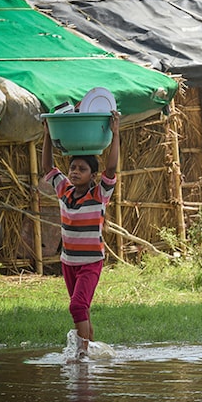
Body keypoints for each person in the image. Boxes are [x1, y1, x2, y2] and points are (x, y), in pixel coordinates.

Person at [42, 110, 120, 358]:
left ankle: (82, 357)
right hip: (68, 263)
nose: (75, 172)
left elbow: (111, 167)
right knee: (82, 311)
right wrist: (47, 134)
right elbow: (47, 166)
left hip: (90, 263)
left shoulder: (99, 194)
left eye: (82, 169)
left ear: (92, 175)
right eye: (72, 167)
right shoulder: (64, 189)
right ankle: (90, 355)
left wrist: (115, 132)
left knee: (76, 306)